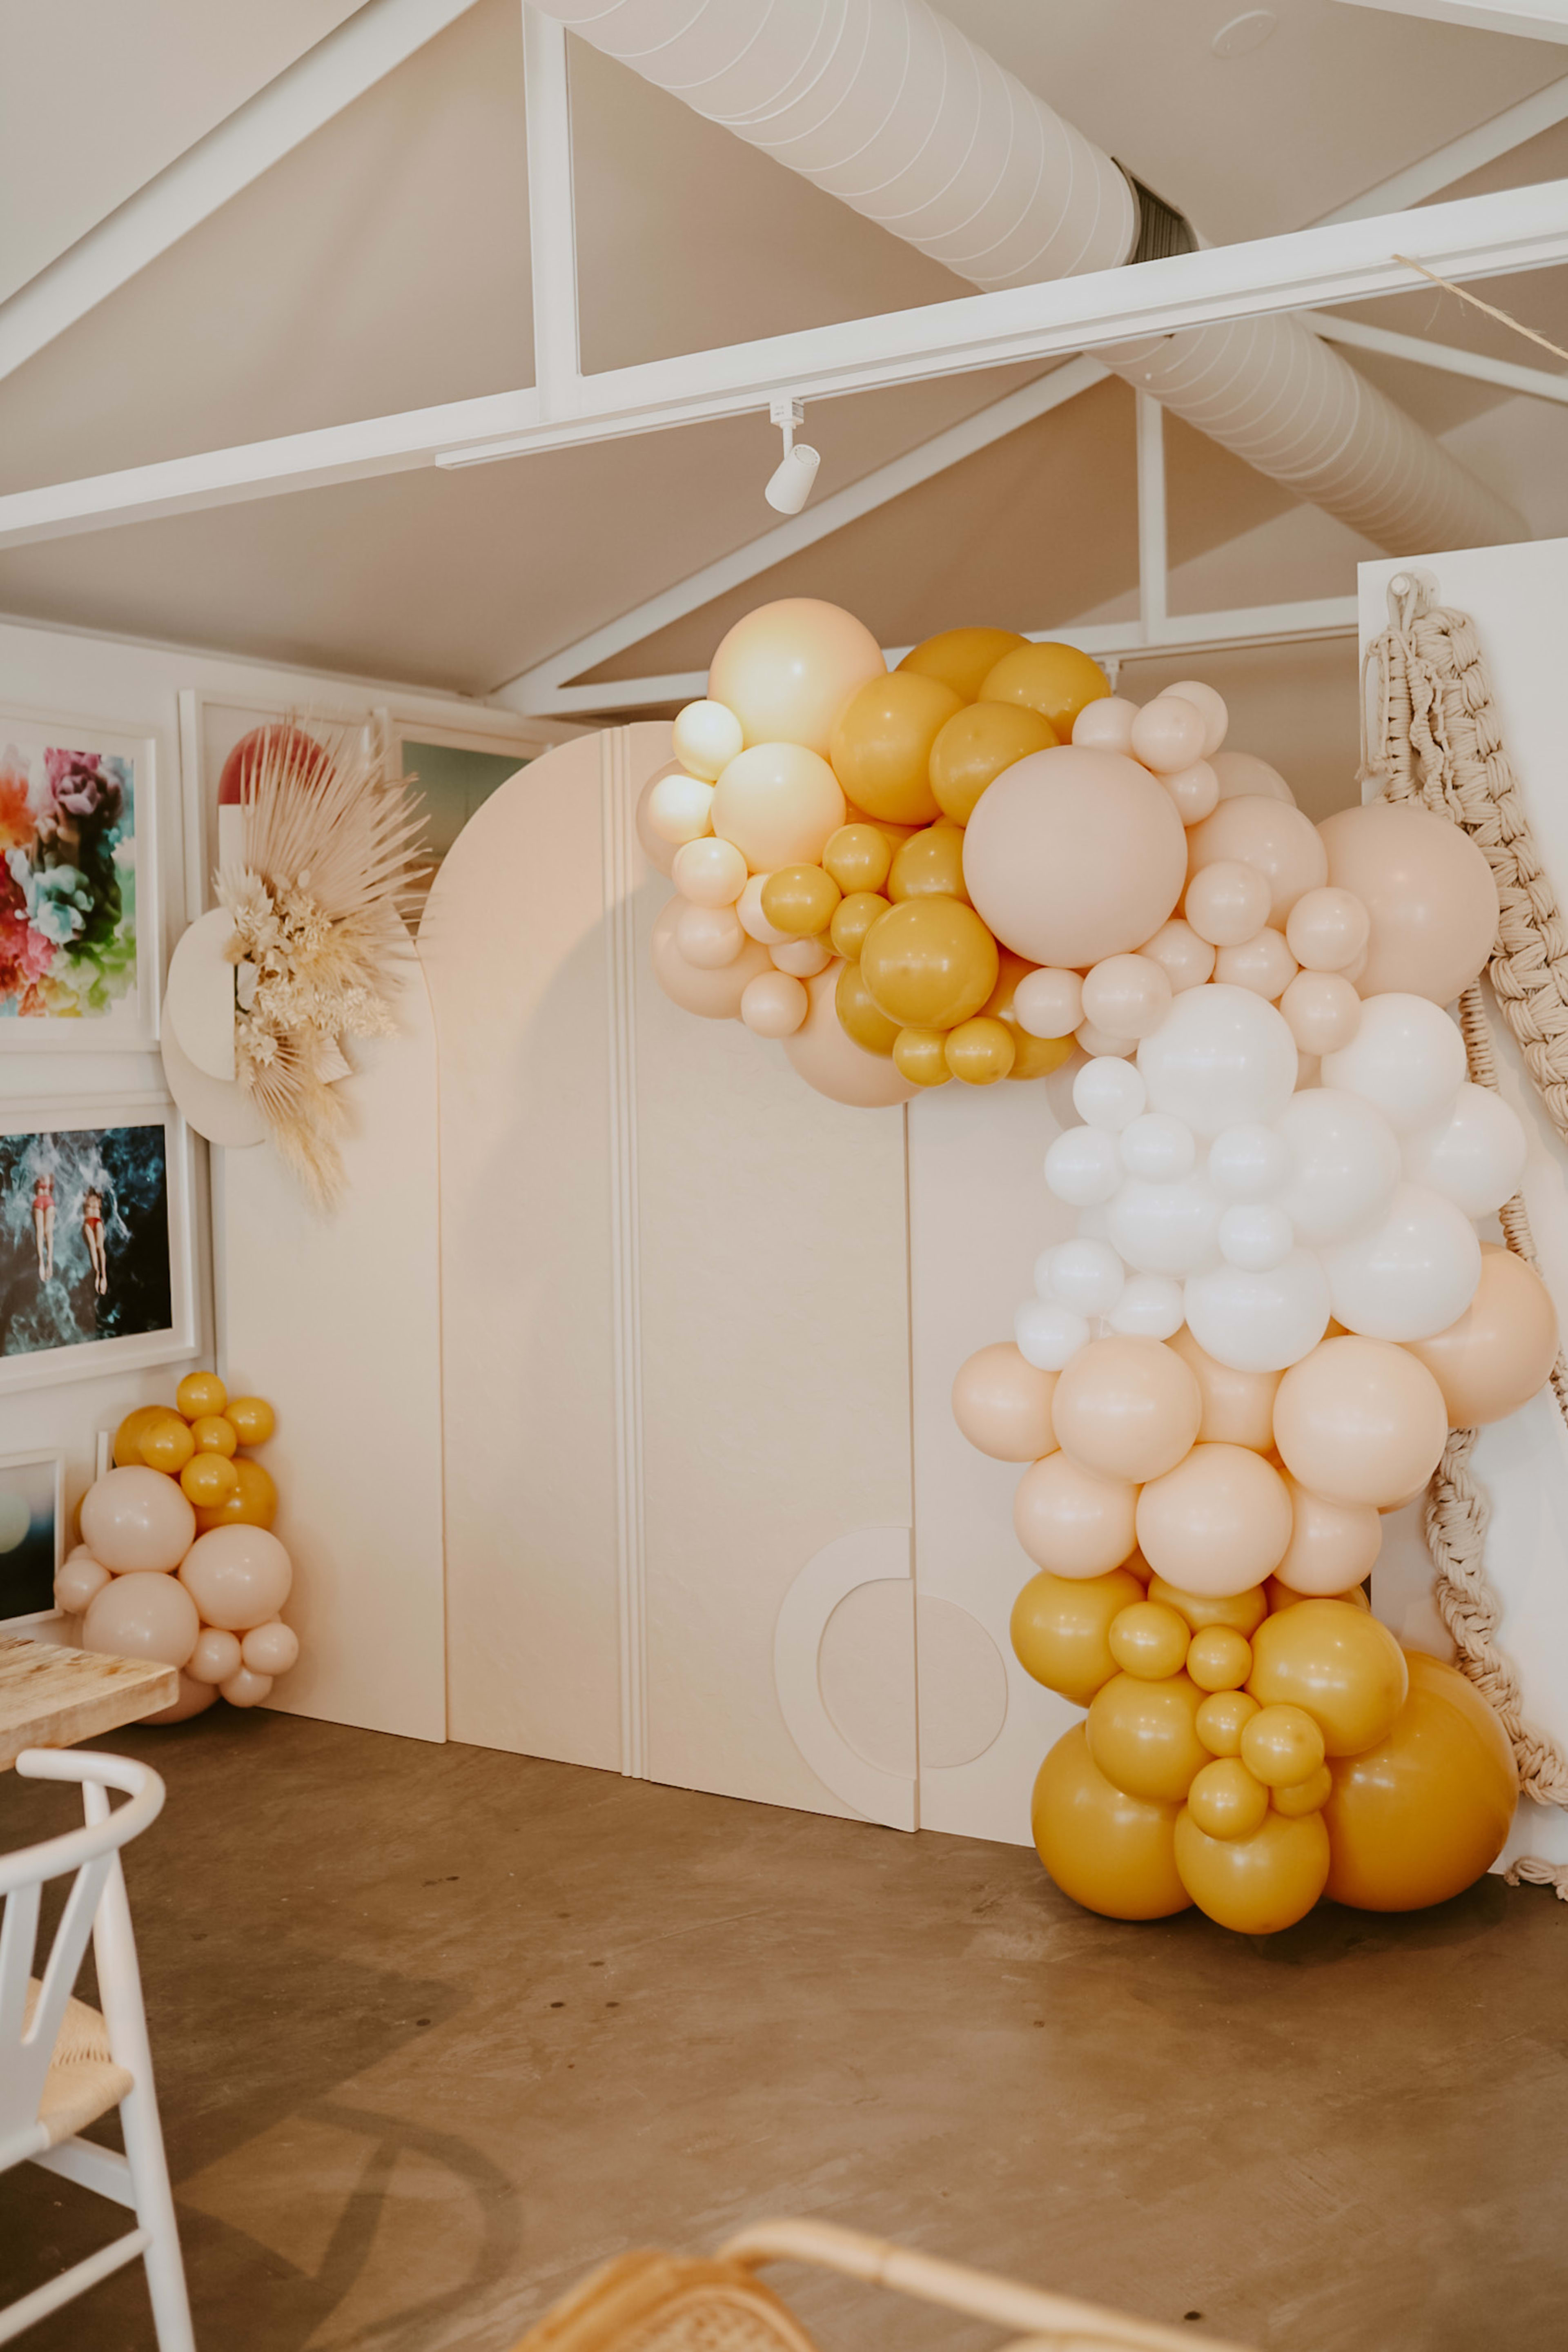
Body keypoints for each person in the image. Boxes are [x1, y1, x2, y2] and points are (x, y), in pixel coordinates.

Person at [82, 1187, 107, 1296]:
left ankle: (104, 1275)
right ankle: (97, 1272)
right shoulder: (86, 1198)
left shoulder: (99, 1198)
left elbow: (103, 1190)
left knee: (100, 1247)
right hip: (88, 1222)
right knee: (93, 1247)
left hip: (98, 1221)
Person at [31, 1169, 54, 1282]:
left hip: (38, 1201)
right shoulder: (51, 1174)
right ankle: (49, 1260)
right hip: (49, 1201)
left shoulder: (37, 1172)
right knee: (48, 1232)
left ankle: (41, 1261)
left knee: (40, 1232)